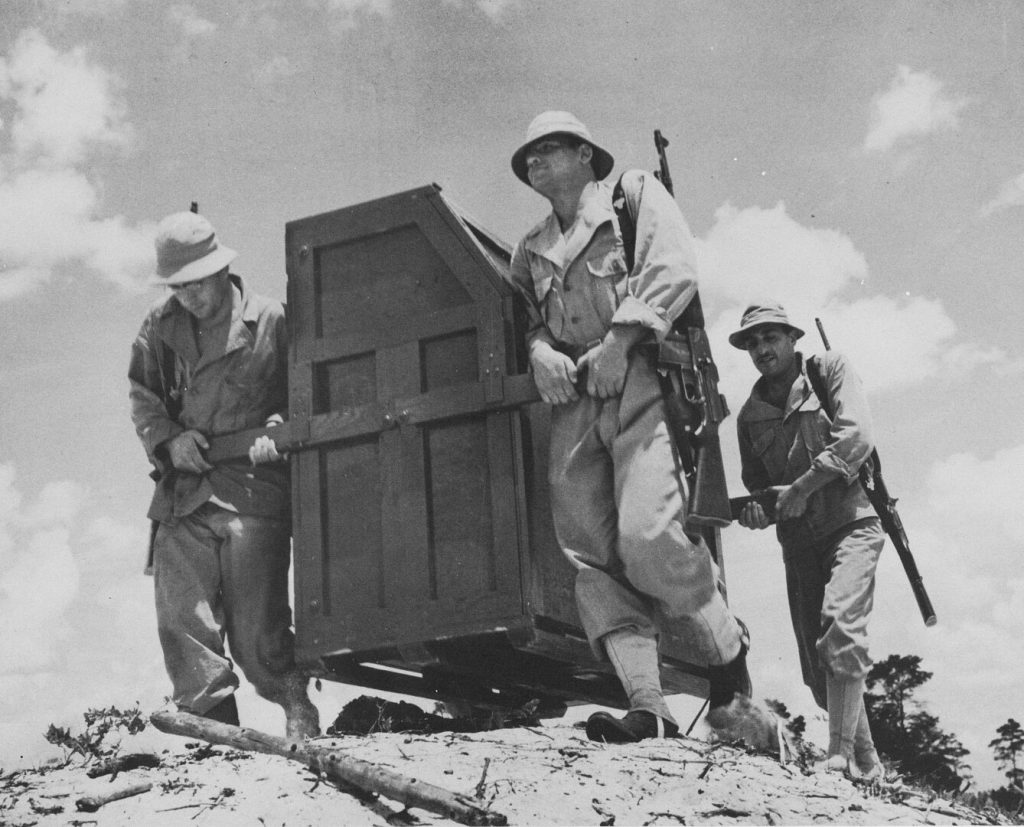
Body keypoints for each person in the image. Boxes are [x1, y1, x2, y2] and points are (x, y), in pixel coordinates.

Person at [507, 110, 756, 743]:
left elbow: (674, 268)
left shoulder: (634, 196)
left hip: (642, 380)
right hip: (575, 403)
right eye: (527, 155)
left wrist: (620, 340)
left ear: (586, 155)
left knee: (650, 537)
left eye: (548, 149)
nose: (533, 161)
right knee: (590, 556)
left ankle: (728, 658)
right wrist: (540, 352)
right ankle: (649, 708)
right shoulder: (529, 247)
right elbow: (527, 319)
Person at [128, 210, 319, 739]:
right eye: (177, 286)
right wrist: (168, 438)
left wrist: (278, 428)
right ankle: (213, 733)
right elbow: (143, 399)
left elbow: (302, 393)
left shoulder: (272, 320)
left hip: (253, 492)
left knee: (260, 635)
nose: (187, 297)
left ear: (220, 271)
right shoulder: (158, 327)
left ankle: (298, 710)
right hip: (183, 494)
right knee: (182, 622)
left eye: (195, 284)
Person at [731, 301, 884, 778]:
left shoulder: (829, 370)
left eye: (770, 337)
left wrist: (802, 488)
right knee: (816, 669)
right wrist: (758, 511)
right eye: (752, 342)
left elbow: (857, 437)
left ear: (793, 339)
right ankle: (869, 762)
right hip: (799, 544)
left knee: (840, 628)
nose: (761, 349)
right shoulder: (748, 416)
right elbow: (759, 490)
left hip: (851, 524)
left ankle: (838, 757)